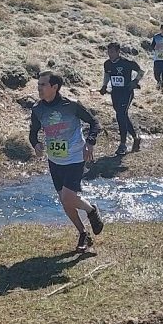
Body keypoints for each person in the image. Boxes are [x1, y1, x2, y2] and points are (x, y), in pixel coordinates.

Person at [29, 70, 104, 252]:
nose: (39, 88)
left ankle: (91, 210)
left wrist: (90, 143)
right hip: (54, 160)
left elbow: (95, 123)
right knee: (66, 201)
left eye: (43, 85)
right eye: (38, 84)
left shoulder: (71, 105)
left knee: (67, 197)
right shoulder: (37, 109)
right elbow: (33, 133)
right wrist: (36, 144)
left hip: (75, 157)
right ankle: (83, 234)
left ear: (55, 87)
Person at [100, 42, 144, 155]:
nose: (110, 54)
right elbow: (107, 75)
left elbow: (141, 71)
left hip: (127, 93)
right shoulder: (107, 64)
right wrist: (104, 86)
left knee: (120, 115)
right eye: (109, 52)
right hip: (115, 93)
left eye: (113, 52)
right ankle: (136, 137)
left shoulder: (126, 63)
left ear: (118, 52)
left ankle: (123, 144)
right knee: (122, 115)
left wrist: (135, 82)